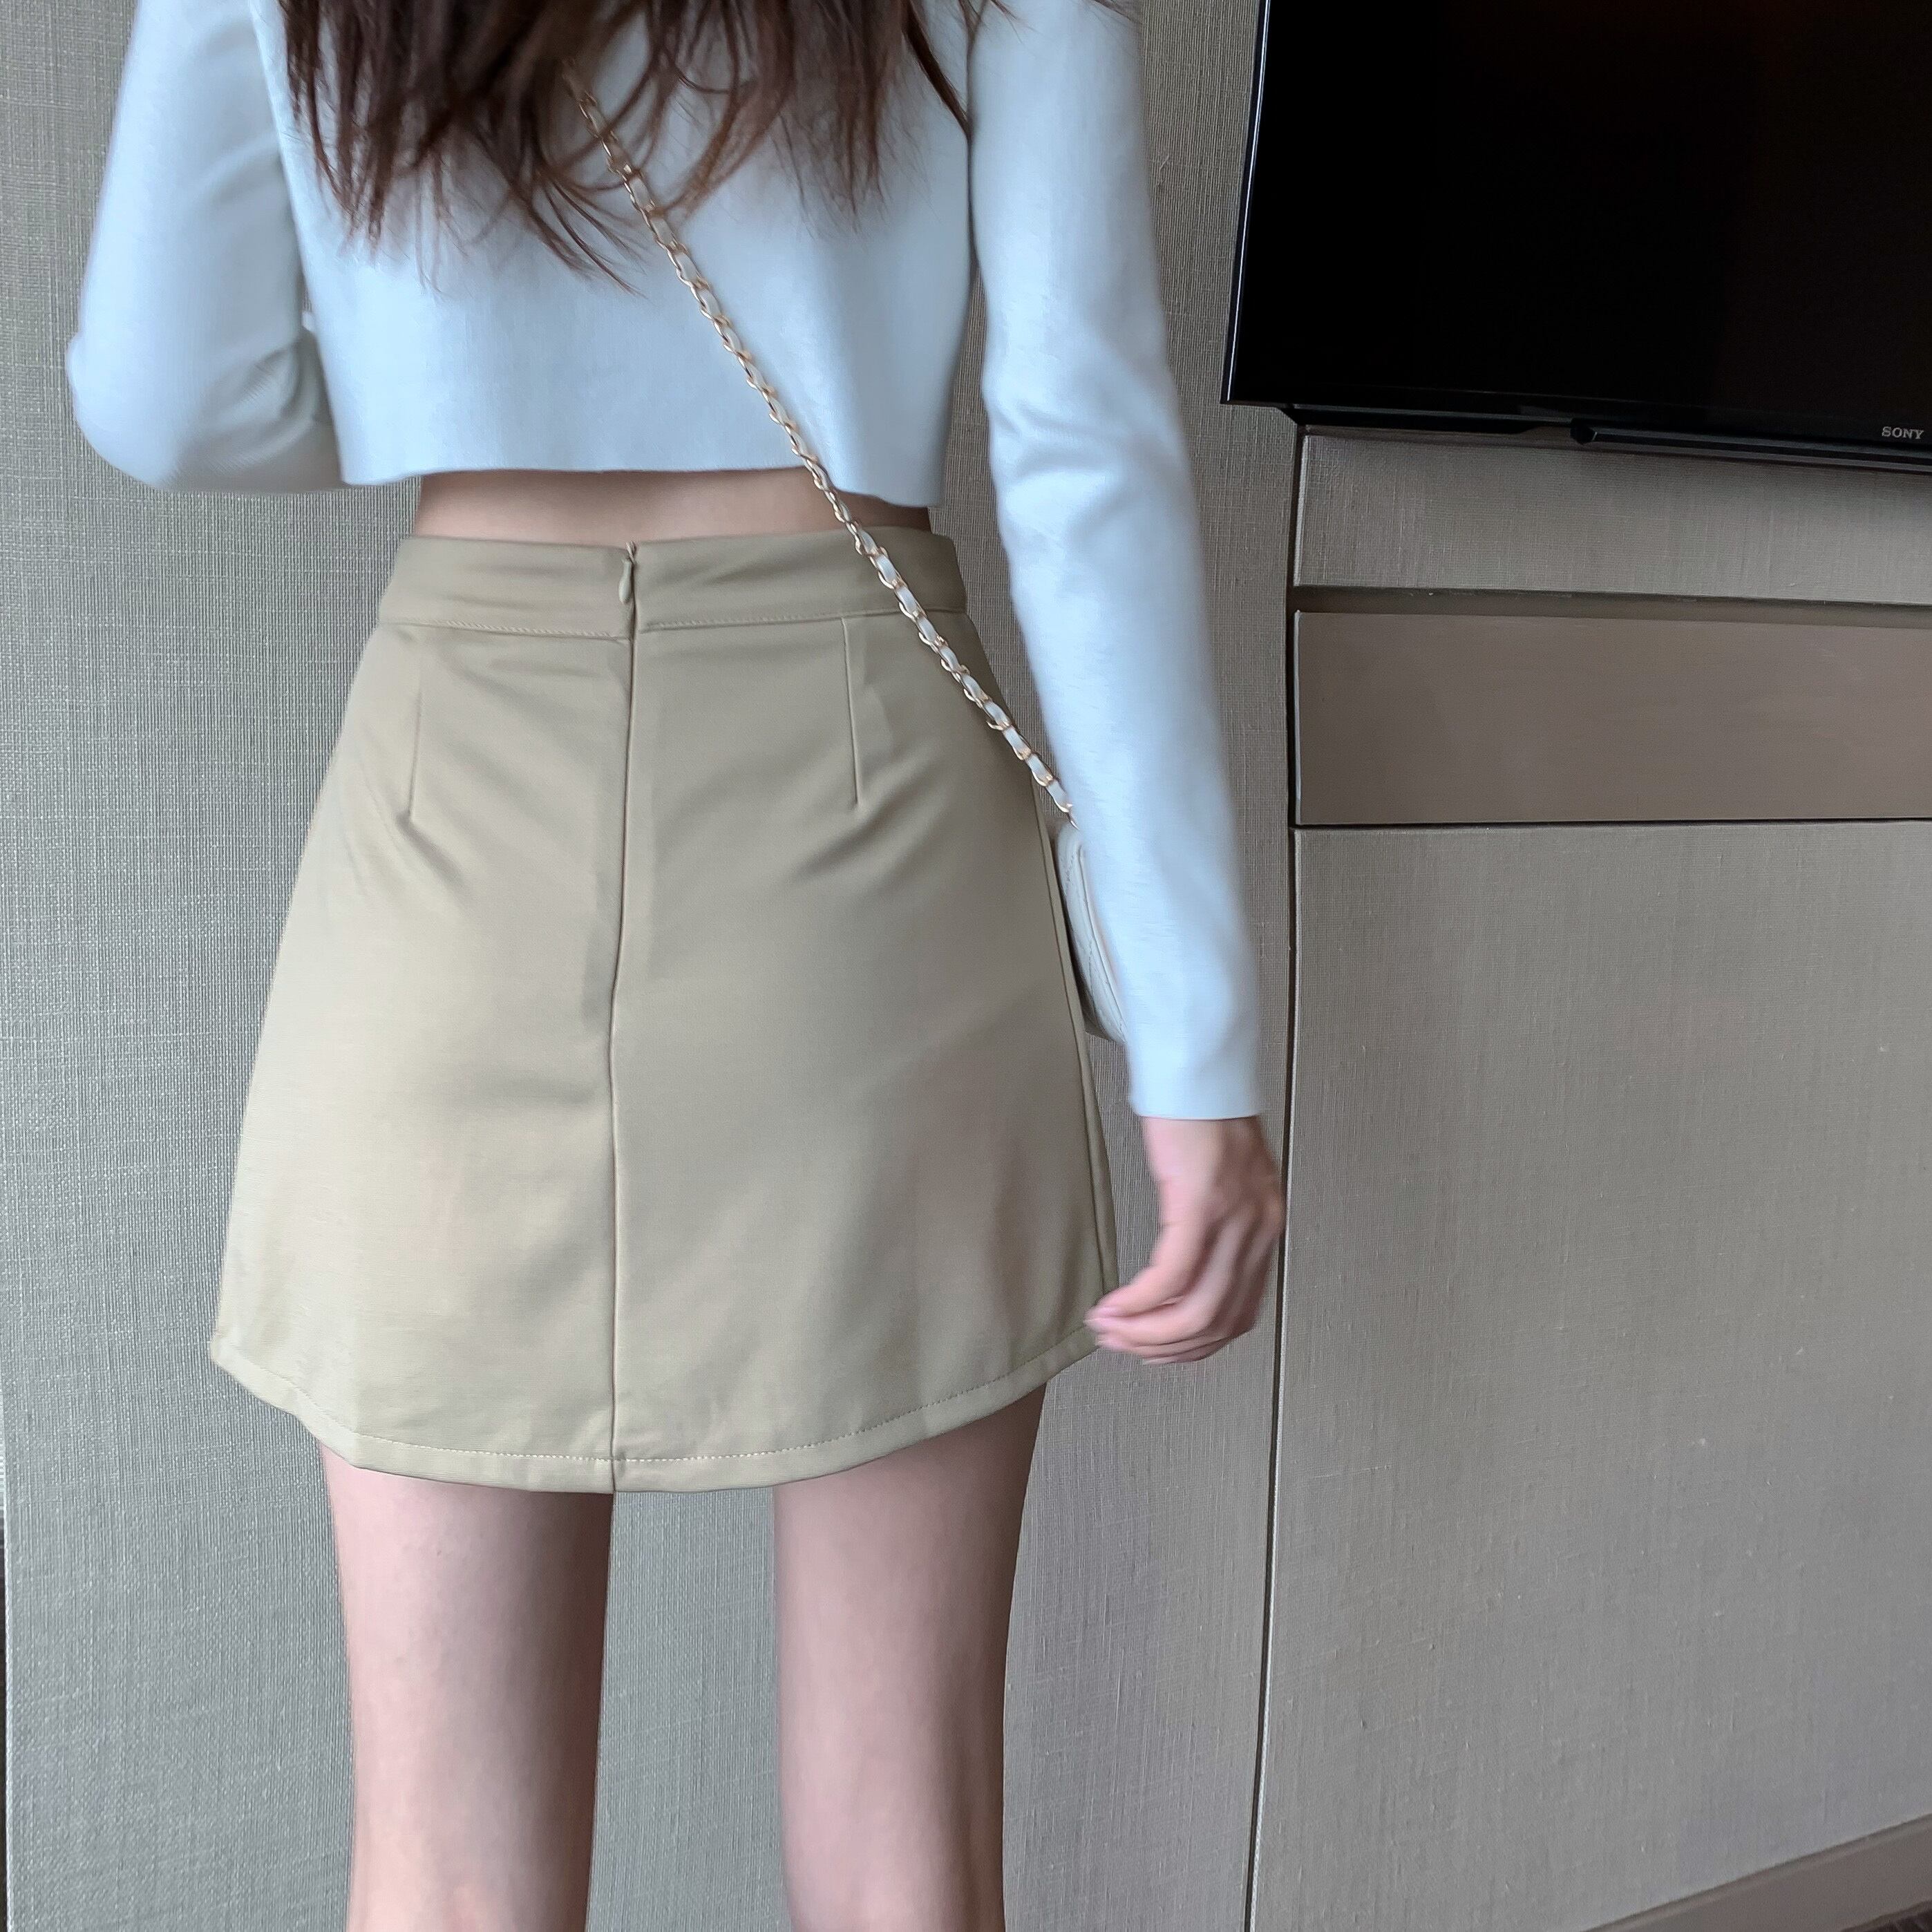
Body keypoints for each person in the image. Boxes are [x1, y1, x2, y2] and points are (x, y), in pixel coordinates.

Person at [64, 0, 1285, 1924]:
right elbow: (1078, 449)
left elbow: (169, 397)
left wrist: (424, 377)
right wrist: (1193, 1050)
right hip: (866, 820)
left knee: (449, 1871)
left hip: (457, 801)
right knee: (905, 1847)